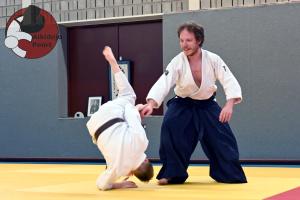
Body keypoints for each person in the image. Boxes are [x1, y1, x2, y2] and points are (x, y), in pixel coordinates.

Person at [141, 22, 247, 185]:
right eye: (182, 40)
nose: (185, 45)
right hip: (182, 104)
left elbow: (229, 80)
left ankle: (229, 174)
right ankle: (172, 174)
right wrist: (151, 103)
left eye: (189, 40)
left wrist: (229, 104)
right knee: (170, 128)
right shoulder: (177, 61)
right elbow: (164, 82)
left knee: (223, 138)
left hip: (207, 104)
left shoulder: (213, 59)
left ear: (198, 40)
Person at [86, 46, 154, 190]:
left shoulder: (142, 143)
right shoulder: (118, 170)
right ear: (133, 174)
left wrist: (137, 109)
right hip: (93, 126)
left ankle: (113, 63)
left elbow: (130, 112)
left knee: (129, 96)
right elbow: (101, 185)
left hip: (110, 114)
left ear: (147, 159)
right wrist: (119, 184)